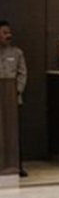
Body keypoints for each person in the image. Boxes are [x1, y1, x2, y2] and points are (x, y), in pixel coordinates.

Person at [0, 20, 27, 177]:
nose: (8, 35)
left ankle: (16, 166)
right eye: (4, 33)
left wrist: (16, 91)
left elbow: (22, 74)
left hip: (12, 100)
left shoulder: (17, 53)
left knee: (14, 133)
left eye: (9, 32)